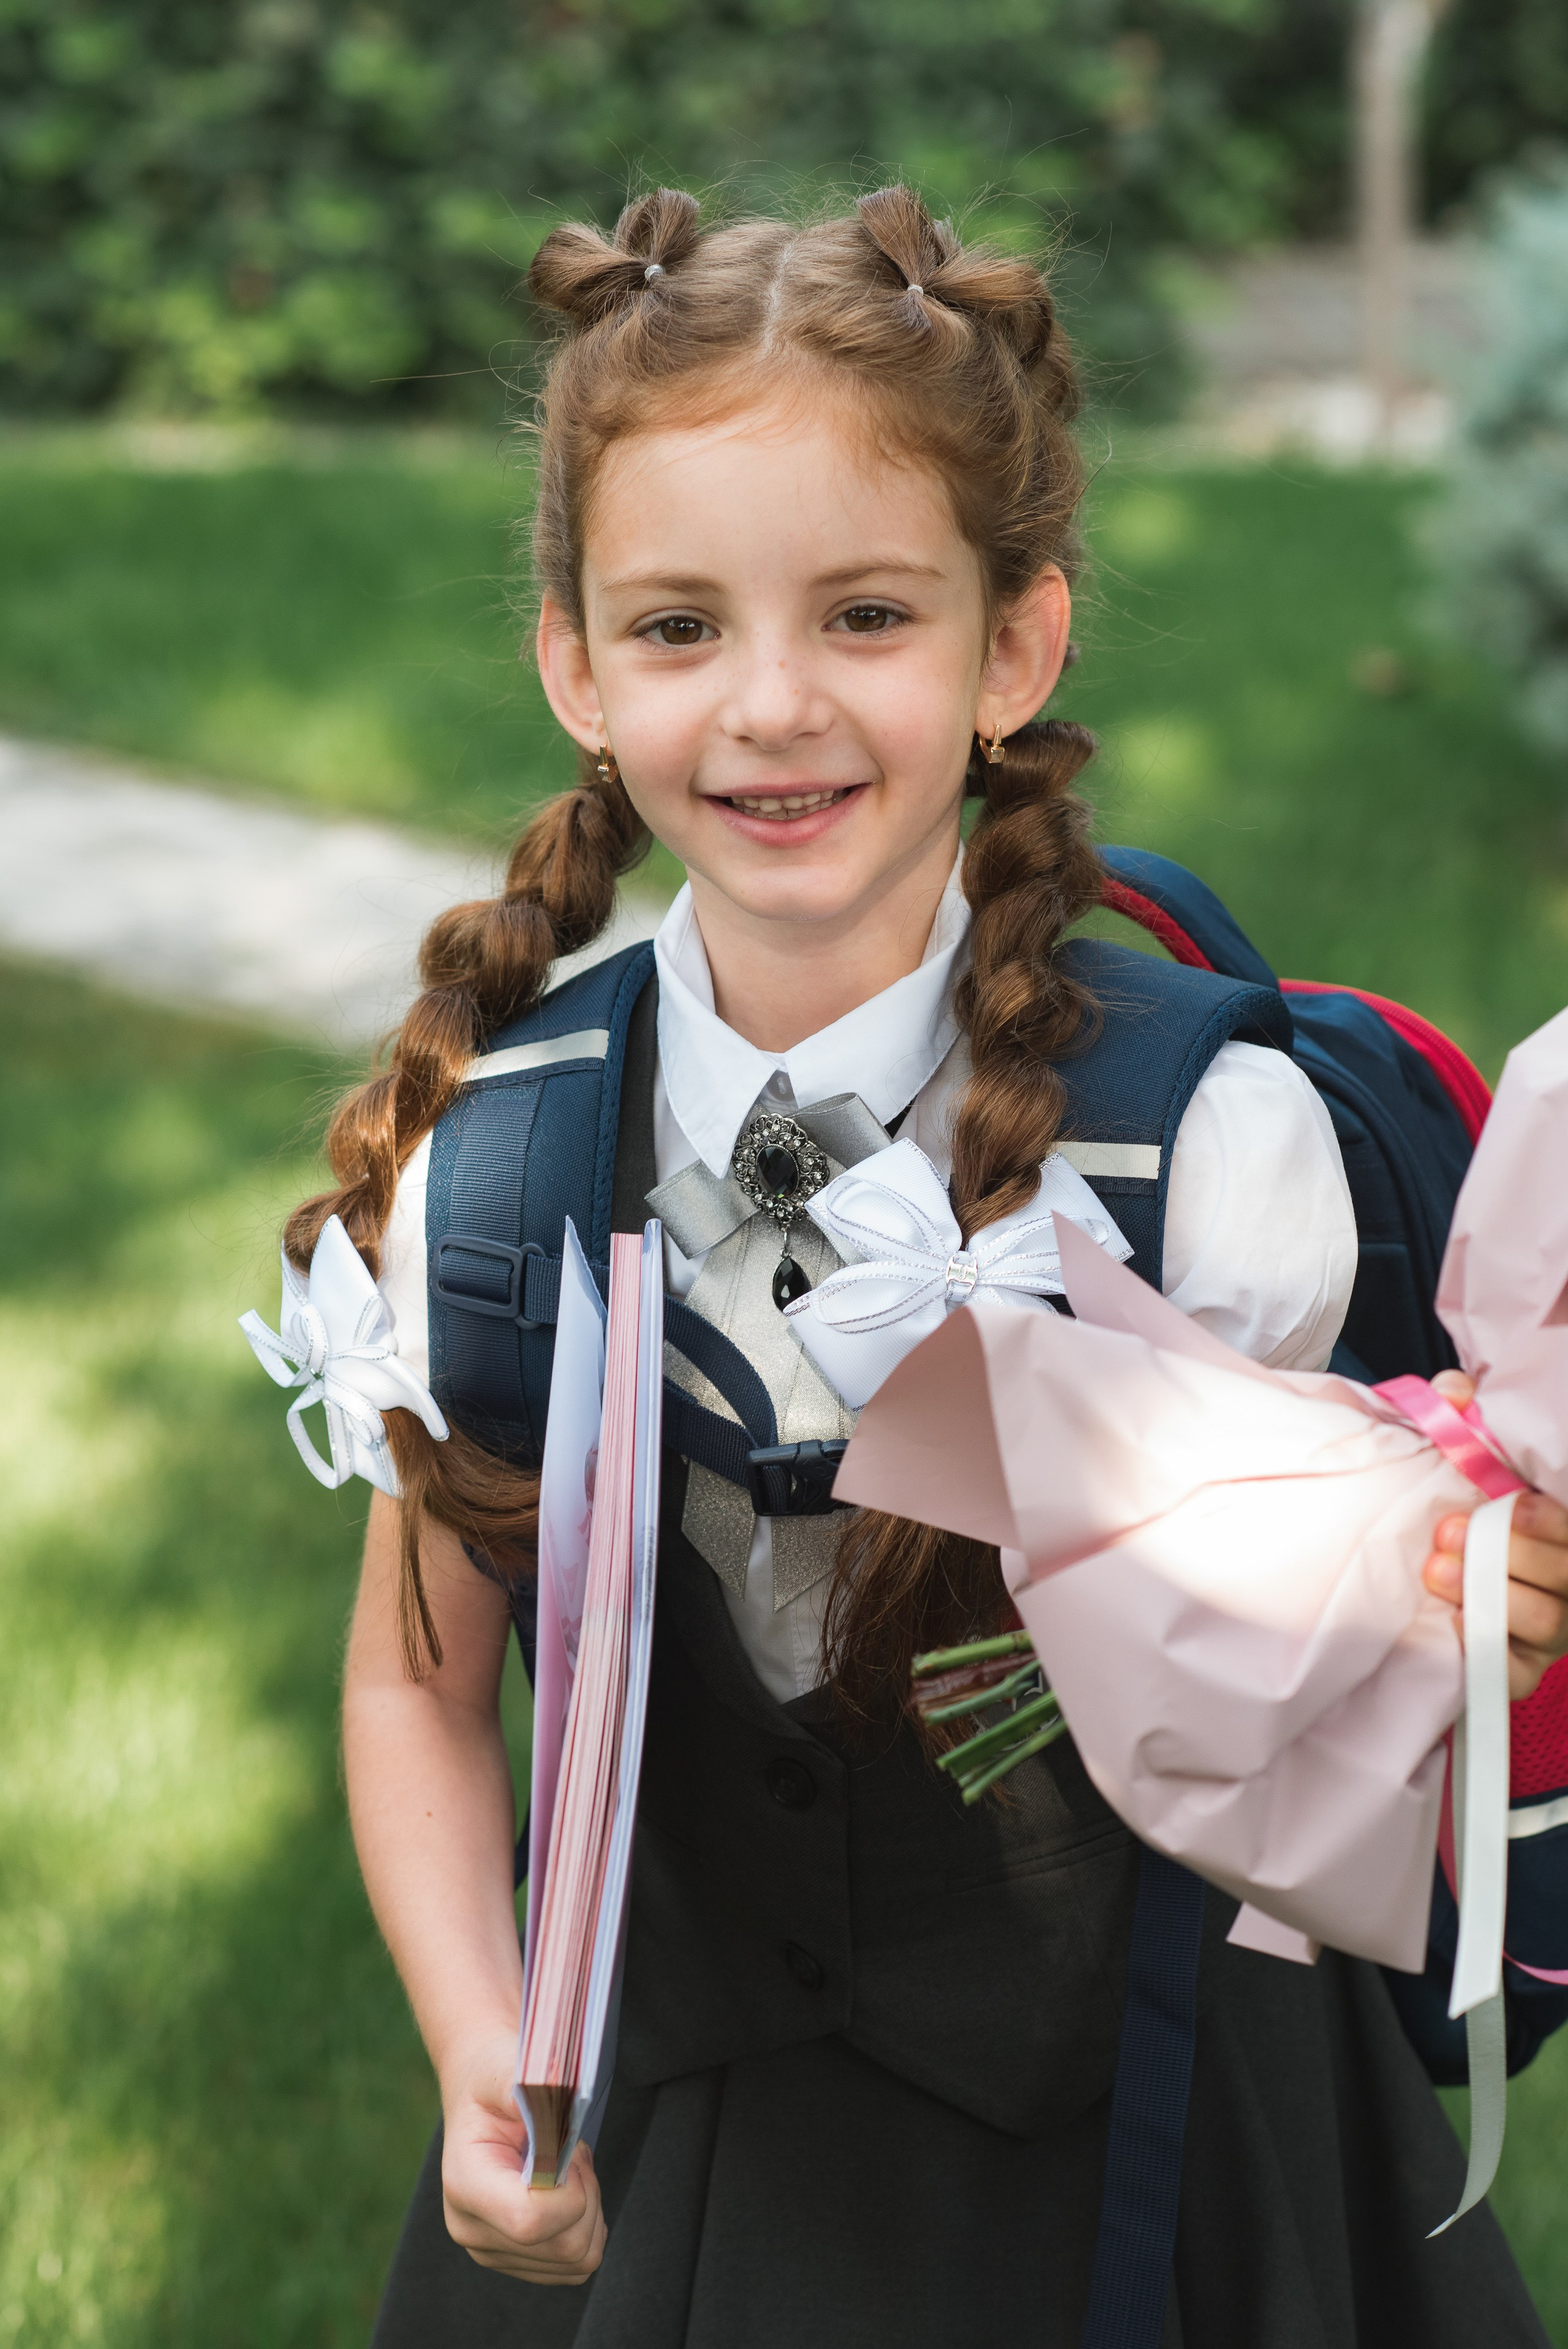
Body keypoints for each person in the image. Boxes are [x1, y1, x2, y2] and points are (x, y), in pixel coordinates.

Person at [281, 187, 1568, 2345]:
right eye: (679, 627)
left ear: (1015, 647)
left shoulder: (1210, 1158)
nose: (772, 705)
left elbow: (1350, 1628)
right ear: (576, 667)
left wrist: (1460, 1596)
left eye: (866, 613)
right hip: (676, 2144)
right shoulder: (490, 1177)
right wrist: (477, 2040)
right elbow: (418, 1667)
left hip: (1161, 2137)